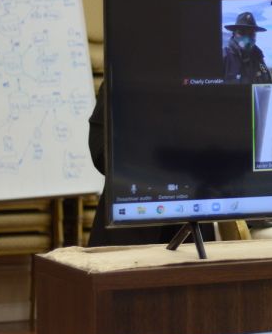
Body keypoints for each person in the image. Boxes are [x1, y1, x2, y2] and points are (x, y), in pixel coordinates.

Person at [87, 83, 213, 246]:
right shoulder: (121, 74)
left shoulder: (204, 79)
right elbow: (100, 150)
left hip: (193, 219)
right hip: (130, 220)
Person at [222, 11, 272, 84]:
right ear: (234, 34)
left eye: (251, 33)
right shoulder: (224, 58)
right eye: (242, 32)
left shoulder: (258, 57)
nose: (247, 38)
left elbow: (267, 84)